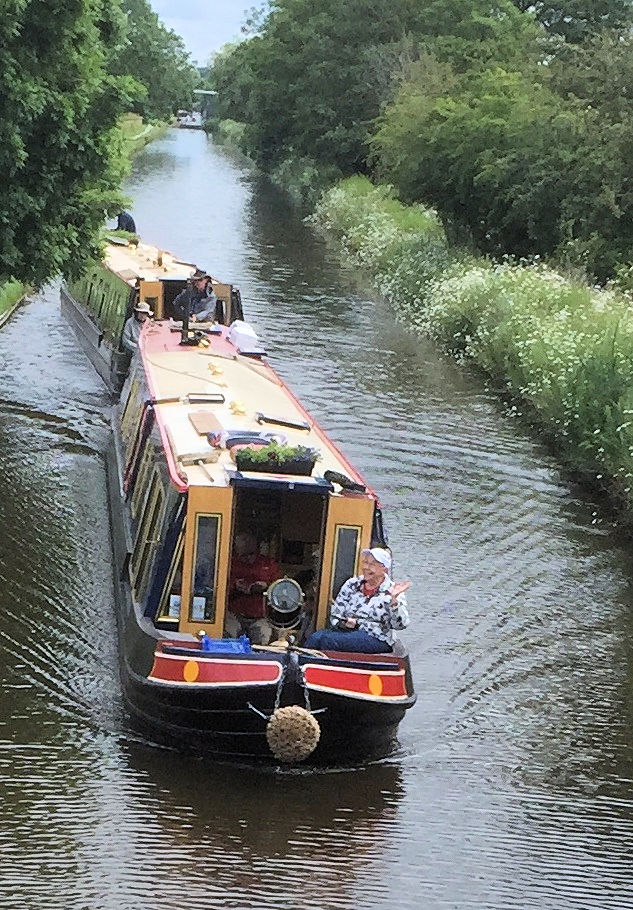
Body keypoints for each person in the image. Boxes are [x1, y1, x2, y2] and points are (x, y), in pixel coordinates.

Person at [305, 547, 410, 653]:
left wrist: (394, 601)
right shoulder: (352, 584)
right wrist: (343, 624)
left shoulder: (393, 591)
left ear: (384, 569)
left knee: (327, 640)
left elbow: (400, 625)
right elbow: (335, 615)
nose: (366, 567)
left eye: (372, 564)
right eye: (365, 562)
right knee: (316, 637)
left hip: (376, 637)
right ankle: (301, 664)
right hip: (347, 632)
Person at [225, 531, 280, 645]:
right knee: (227, 637)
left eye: (251, 554)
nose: (248, 559)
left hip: (260, 617)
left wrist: (266, 587)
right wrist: (234, 586)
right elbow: (218, 586)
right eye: (243, 555)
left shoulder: (268, 564)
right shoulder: (229, 563)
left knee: (264, 639)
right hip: (233, 614)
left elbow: (280, 589)